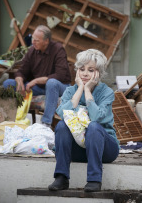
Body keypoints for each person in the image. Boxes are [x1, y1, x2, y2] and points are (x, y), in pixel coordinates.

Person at [48, 49, 120, 192]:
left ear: (98, 73)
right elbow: (63, 114)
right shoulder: (70, 91)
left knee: (93, 126)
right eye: (82, 69)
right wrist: (80, 88)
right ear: (77, 71)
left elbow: (96, 117)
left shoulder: (107, 93)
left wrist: (87, 91)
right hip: (79, 149)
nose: (85, 73)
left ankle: (94, 180)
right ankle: (61, 178)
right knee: (62, 125)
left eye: (91, 70)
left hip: (105, 149)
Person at [3, 25, 71, 127]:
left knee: (51, 83)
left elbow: (60, 75)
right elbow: (21, 71)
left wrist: (36, 81)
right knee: (8, 83)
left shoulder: (58, 49)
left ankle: (46, 123)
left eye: (37, 40)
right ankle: (11, 119)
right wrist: (20, 82)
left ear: (46, 41)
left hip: (60, 87)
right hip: (39, 88)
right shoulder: (32, 50)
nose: (33, 42)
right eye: (32, 39)